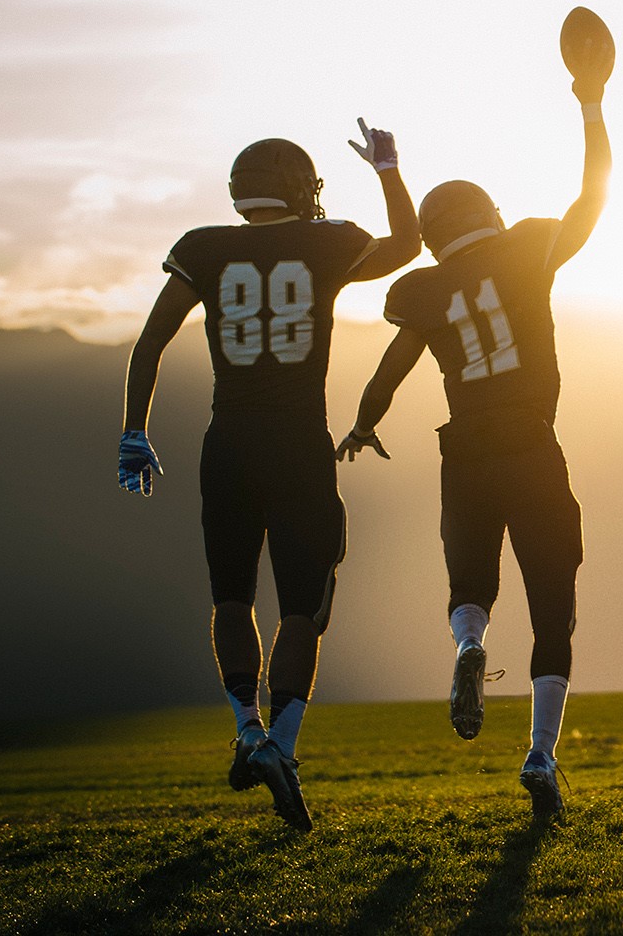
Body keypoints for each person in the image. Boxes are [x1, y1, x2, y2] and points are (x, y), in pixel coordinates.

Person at [118, 124, 420, 831]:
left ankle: (247, 728)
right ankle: (280, 745)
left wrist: (135, 428)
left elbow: (151, 340)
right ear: (297, 187)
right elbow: (407, 246)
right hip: (296, 446)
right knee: (303, 609)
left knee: (230, 598)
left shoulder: (204, 248)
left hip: (227, 445)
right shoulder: (328, 241)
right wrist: (388, 168)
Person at [338, 72, 609, 822]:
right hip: (530, 440)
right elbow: (593, 198)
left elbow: (389, 372)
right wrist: (592, 107)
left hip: (465, 450)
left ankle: (467, 647)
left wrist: (363, 425)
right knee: (554, 609)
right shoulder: (526, 249)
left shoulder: (425, 291)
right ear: (489, 213)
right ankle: (540, 755)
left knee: (470, 587)